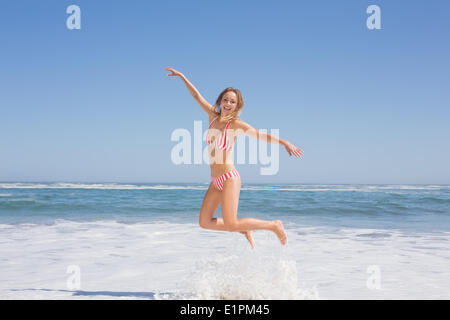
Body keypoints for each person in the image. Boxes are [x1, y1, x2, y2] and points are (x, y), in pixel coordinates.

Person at [165, 67, 304, 249]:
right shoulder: (213, 118)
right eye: (226, 100)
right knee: (205, 222)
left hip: (229, 178)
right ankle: (243, 229)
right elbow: (197, 96)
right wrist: (182, 77)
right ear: (220, 101)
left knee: (231, 223)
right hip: (215, 180)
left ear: (237, 106)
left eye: (232, 101)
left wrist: (284, 142)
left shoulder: (236, 125)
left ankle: (273, 225)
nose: (228, 103)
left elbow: (260, 135)